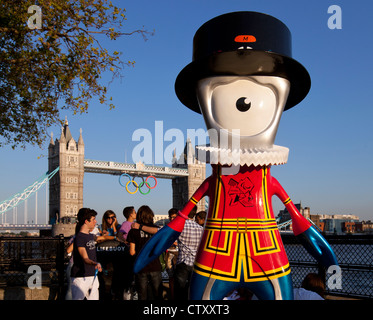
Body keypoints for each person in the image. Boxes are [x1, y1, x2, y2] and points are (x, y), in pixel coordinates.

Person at [127, 205, 163, 300]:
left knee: (142, 296)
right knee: (157, 295)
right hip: (155, 265)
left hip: (141, 267)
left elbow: (131, 252)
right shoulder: (157, 229)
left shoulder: (133, 231)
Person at [70, 208, 102, 300]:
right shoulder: (79, 237)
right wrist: (95, 263)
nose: (95, 221)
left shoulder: (90, 236)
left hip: (93, 275)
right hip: (80, 278)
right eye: (93, 219)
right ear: (86, 221)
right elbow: (85, 258)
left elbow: (102, 238)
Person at [173, 209, 203, 300]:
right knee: (193, 290)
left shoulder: (181, 226)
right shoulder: (201, 229)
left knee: (179, 291)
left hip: (183, 262)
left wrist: (141, 227)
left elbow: (161, 231)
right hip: (196, 263)